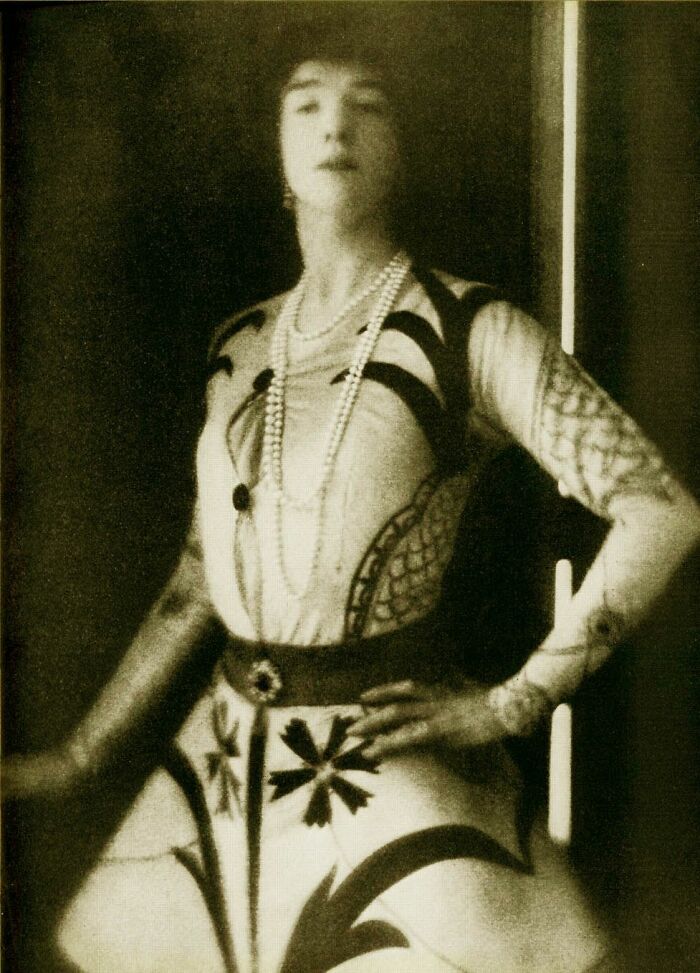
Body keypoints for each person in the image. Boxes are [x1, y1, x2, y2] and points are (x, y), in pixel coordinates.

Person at [4, 47, 700, 973]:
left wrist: (512, 703)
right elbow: (201, 580)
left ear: (404, 151)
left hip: (388, 769)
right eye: (307, 106)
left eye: (368, 106)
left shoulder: (472, 329)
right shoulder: (239, 345)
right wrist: (81, 757)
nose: (336, 126)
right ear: (279, 155)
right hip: (220, 768)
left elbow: (661, 510)